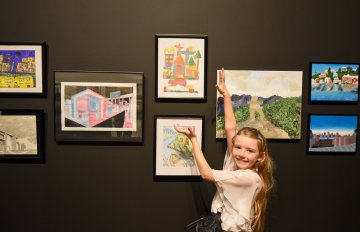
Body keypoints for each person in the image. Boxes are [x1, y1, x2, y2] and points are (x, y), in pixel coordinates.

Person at [175, 68, 275, 232]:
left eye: (250, 151)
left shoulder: (250, 178)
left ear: (260, 156)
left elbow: (206, 173)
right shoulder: (234, 162)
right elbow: (230, 128)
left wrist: (193, 140)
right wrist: (226, 96)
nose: (241, 154)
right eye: (238, 147)